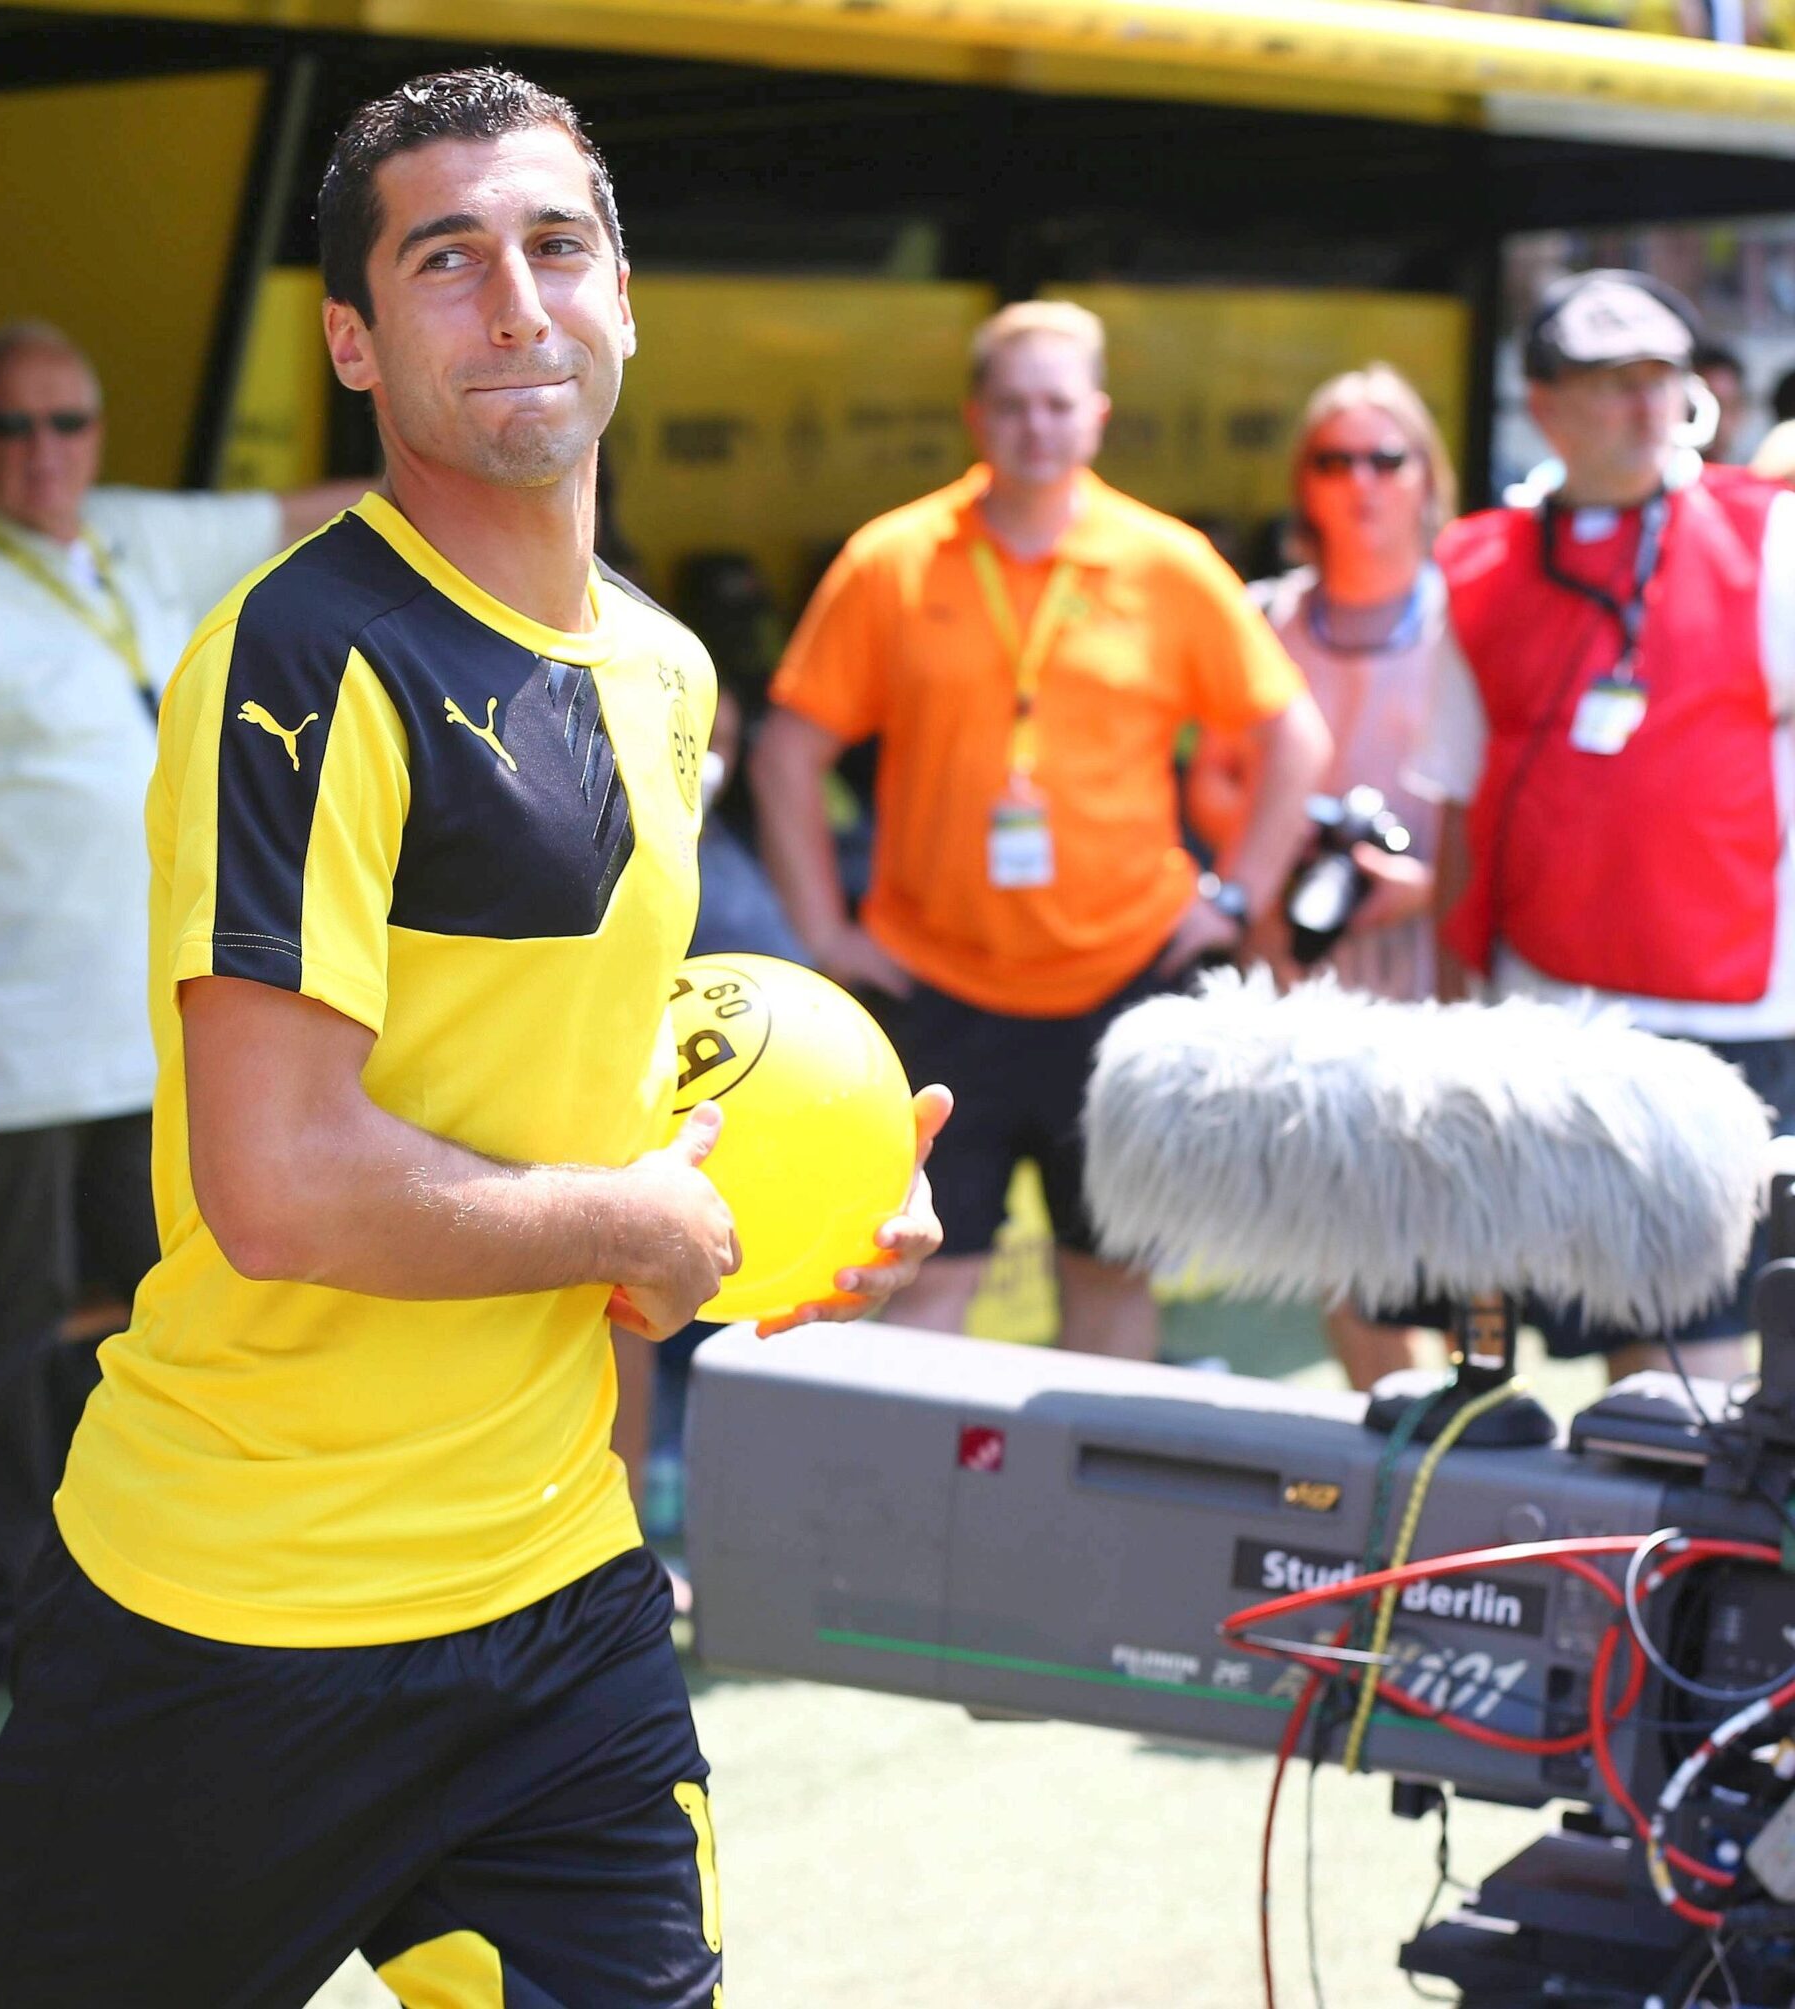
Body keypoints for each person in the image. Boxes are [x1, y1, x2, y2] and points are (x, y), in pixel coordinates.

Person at [0, 68, 947, 2007]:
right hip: (242, 1604)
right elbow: (283, 1184)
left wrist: (760, 1217)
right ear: (355, 341)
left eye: (554, 246)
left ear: (622, 295)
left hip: (555, 1593)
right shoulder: (299, 654)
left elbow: (557, 1100)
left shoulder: (659, 667)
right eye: (445, 260)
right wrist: (624, 1224)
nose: (515, 300)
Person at [0, 321, 367, 1685]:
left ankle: (150, 1586)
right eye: (11, 429)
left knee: (164, 1329)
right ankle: (5, 1614)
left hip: (158, 1043)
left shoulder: (131, 532)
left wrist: (460, 435)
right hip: (7, 1050)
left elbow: (326, 506)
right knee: (3, 1348)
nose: (43, 453)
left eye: (66, 422)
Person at [749, 299, 1329, 1359]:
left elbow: (1294, 734)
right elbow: (786, 751)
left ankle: (1086, 1524)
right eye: (1012, 405)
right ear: (975, 415)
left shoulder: (1166, 561)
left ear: (1097, 415)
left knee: (1111, 1275)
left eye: (1058, 403)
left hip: (1122, 983)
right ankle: (928, 1524)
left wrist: (1235, 896)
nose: (1036, 427)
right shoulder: (895, 559)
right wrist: (825, 933)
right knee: (925, 1284)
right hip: (936, 985)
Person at [1422, 268, 1795, 1386]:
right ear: (1542, 404)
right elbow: (1451, 796)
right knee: (1565, 1335)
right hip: (1551, 1015)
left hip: (1735, 1010)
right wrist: (1455, 1009)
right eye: (1609, 384)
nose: (1643, 407)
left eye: (1660, 379)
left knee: (1699, 1358)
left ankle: (1696, 1569)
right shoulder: (1478, 563)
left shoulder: (1766, 539)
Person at [1242, 364, 1464, 1389]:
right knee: (1339, 1249)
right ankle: (1398, 1451)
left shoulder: (1473, 613)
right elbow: (1205, 778)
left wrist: (1422, 883)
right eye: (1336, 459)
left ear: (1428, 475)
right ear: (1304, 482)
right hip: (1306, 972)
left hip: (1445, 965)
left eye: (1388, 456)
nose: (1363, 482)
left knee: (1464, 1249)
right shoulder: (1261, 619)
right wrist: (1272, 860)